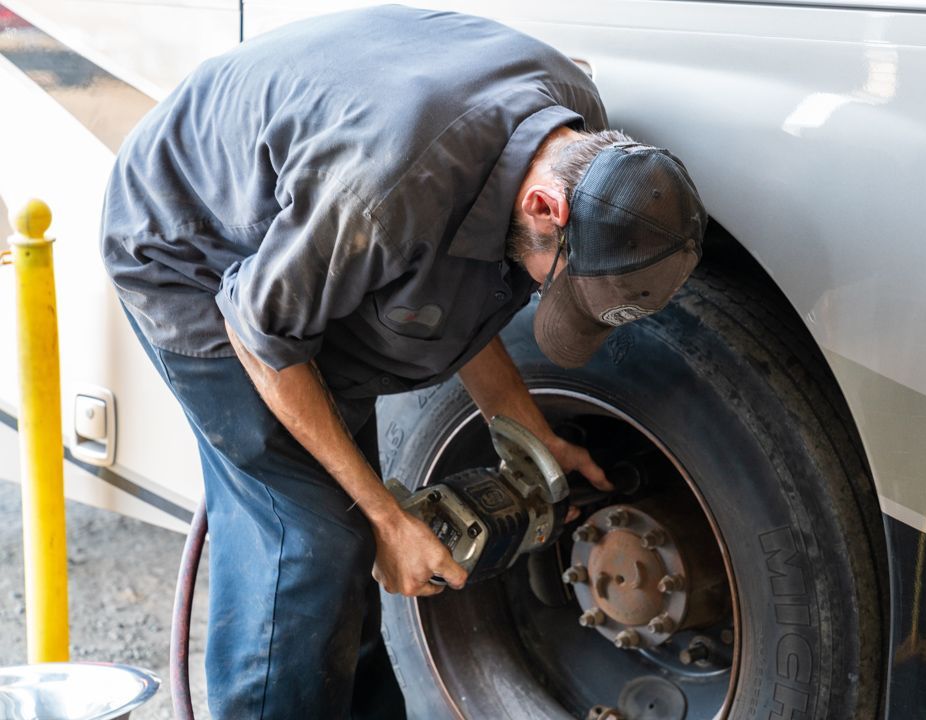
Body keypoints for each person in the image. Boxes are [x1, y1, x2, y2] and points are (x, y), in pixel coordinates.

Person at [100, 6, 706, 719]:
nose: (547, 294)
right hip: (192, 250)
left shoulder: (578, 127)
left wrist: (529, 433)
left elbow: (468, 289)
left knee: (348, 535)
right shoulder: (383, 193)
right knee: (309, 539)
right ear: (547, 205)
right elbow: (262, 334)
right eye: (559, 281)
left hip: (313, 230)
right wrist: (385, 518)